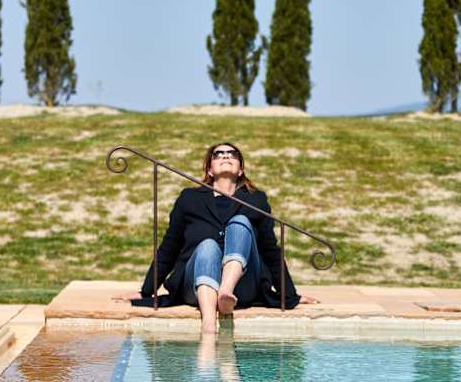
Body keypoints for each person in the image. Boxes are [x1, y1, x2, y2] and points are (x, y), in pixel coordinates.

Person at [115, 142, 319, 333]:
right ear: (209, 170)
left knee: (240, 222)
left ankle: (225, 292)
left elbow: (270, 250)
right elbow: (170, 247)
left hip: (243, 287)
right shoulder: (189, 199)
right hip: (195, 284)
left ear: (240, 170)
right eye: (218, 154)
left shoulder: (256, 200)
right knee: (207, 246)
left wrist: (289, 295)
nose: (225, 156)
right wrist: (146, 291)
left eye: (232, 154)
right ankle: (209, 323)